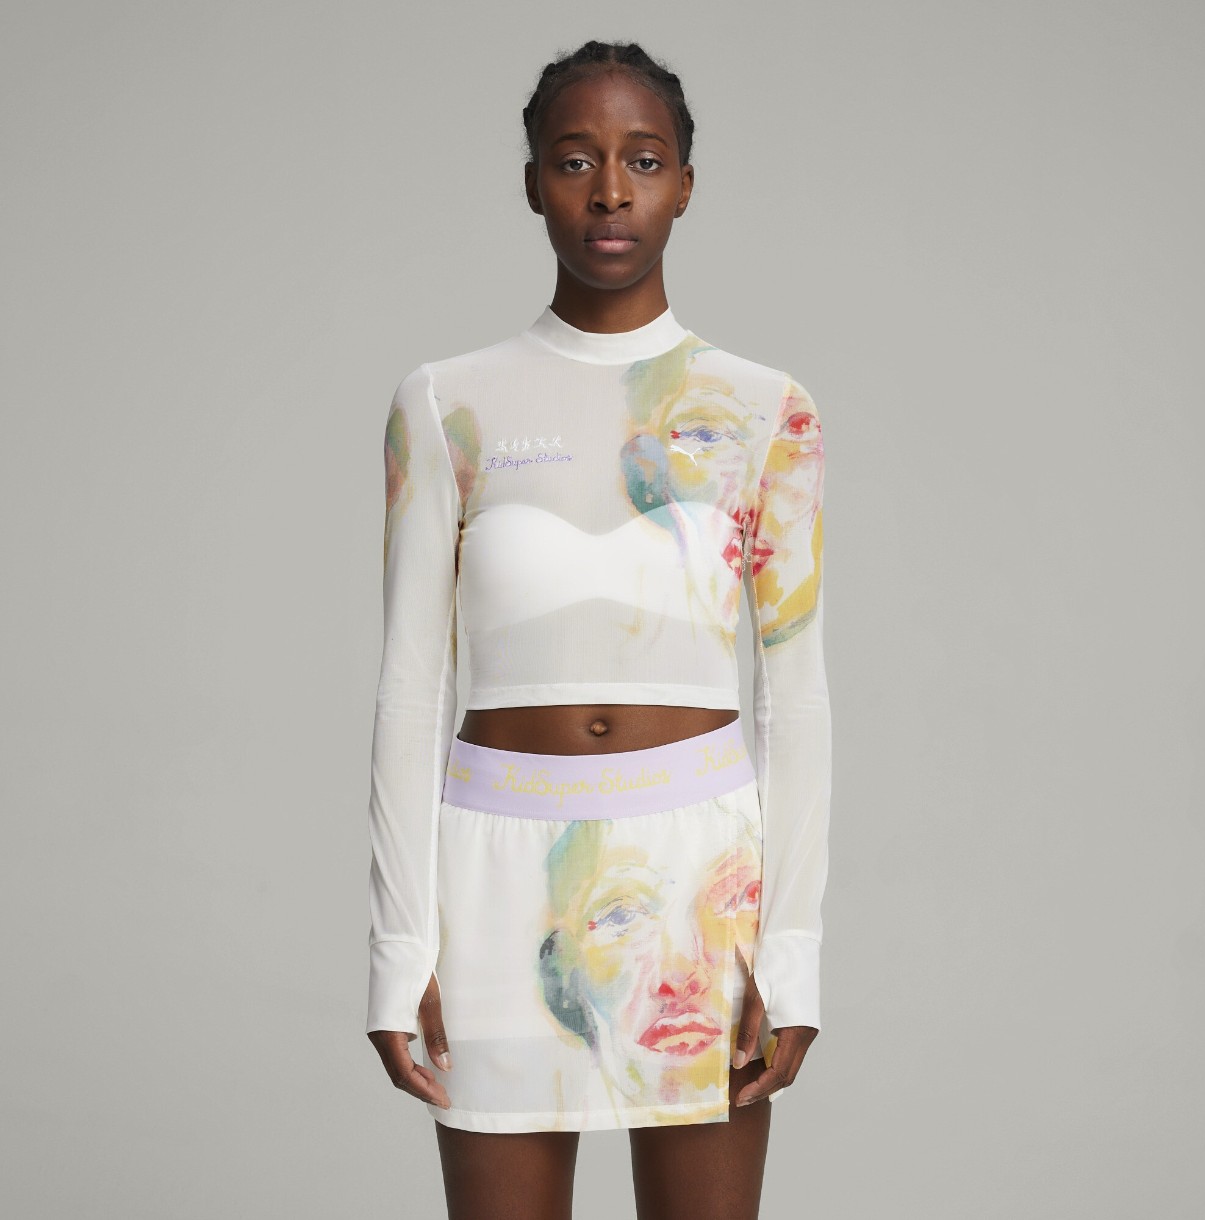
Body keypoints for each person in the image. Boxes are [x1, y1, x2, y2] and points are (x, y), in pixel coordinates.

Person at [364, 38, 833, 1220]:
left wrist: (788, 953)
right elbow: (410, 688)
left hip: (699, 880)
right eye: (575, 160)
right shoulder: (445, 403)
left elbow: (793, 697)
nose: (610, 191)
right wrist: (400, 944)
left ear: (685, 183)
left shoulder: (763, 410)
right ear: (532, 183)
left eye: (643, 160)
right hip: (491, 881)